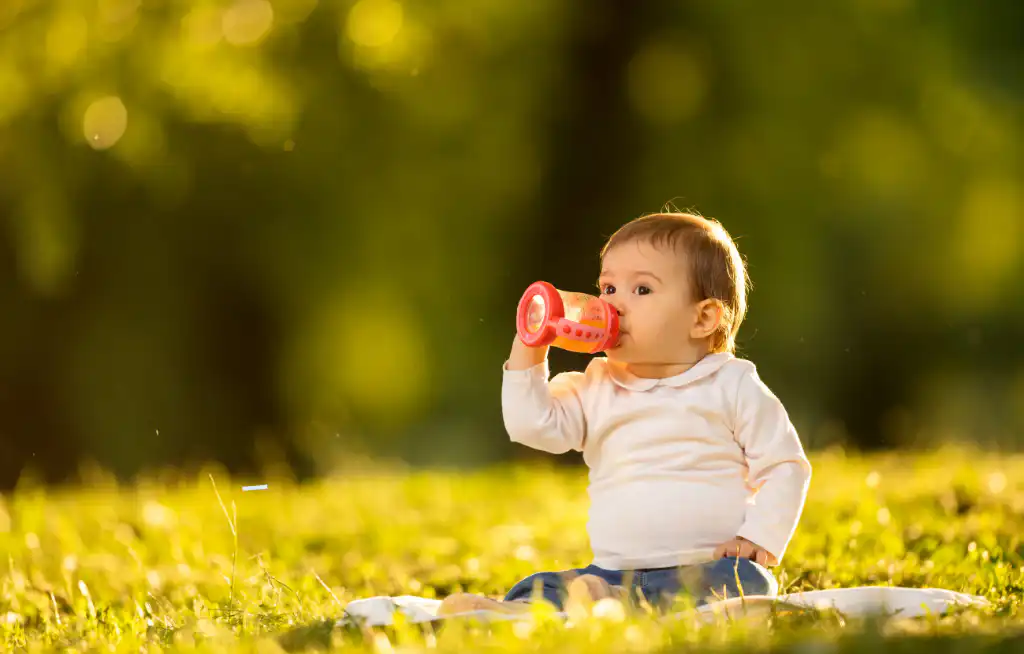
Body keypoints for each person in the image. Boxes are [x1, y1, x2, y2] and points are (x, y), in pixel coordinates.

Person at [439, 211, 812, 616]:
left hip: (704, 567)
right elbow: (531, 426)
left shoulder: (732, 384)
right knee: (547, 583)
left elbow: (784, 465)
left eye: (642, 289)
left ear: (702, 317)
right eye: (608, 287)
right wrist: (530, 346)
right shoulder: (596, 385)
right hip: (612, 572)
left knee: (749, 582)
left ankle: (600, 606)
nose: (613, 304)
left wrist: (759, 537)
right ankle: (529, 608)